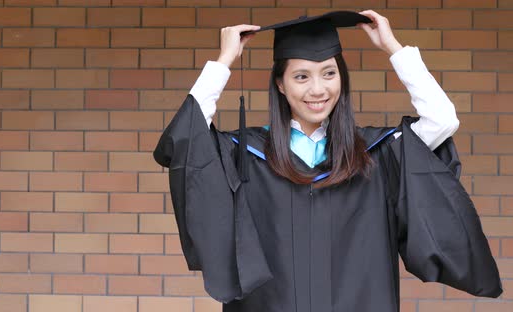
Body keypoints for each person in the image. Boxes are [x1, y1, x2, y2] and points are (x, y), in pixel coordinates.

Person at [154, 10, 502, 312]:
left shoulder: (376, 153)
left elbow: (442, 121)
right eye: (301, 76)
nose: (317, 89)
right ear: (280, 84)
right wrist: (223, 61)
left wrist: (394, 49)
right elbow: (185, 139)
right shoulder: (245, 154)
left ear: (342, 80)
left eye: (329, 73)